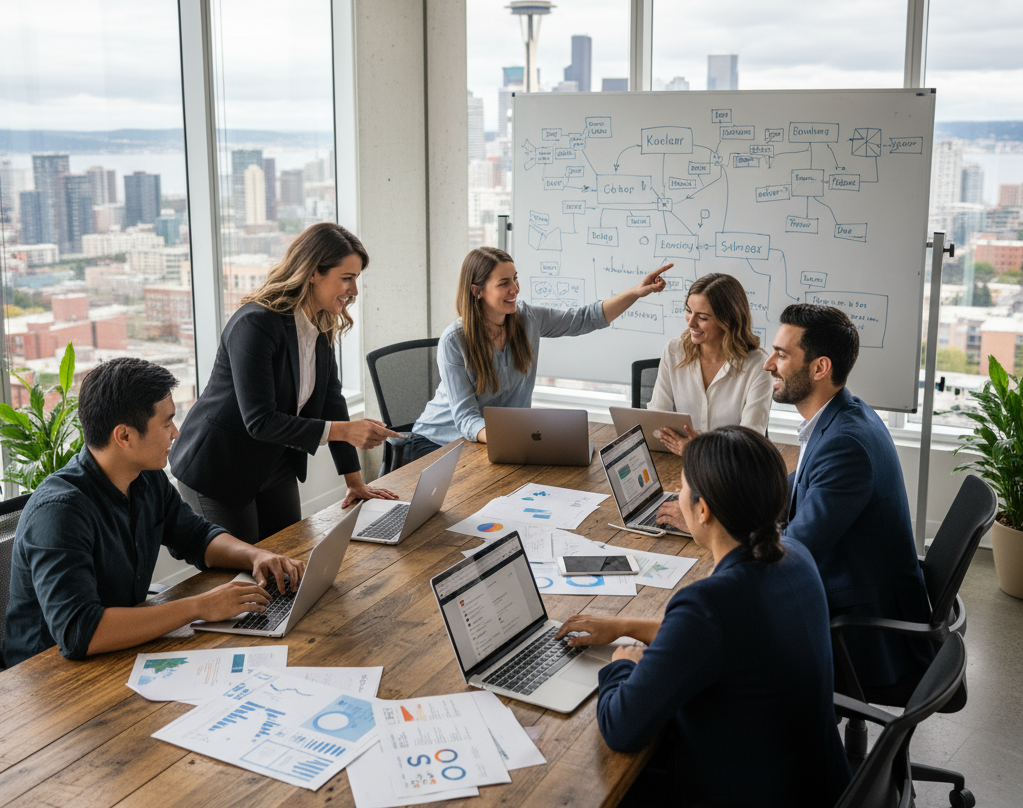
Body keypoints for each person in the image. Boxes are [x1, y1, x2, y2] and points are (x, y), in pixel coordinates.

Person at [555, 427, 850, 808]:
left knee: (594, 790)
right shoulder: (794, 556)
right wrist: (625, 626)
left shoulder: (711, 603)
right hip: (814, 797)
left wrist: (620, 662)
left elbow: (621, 727)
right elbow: (722, 641)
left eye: (680, 491)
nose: (675, 499)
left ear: (703, 510)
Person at [3, 359, 303, 669]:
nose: (175, 432)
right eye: (166, 423)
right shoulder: (59, 512)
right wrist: (201, 605)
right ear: (125, 437)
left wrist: (255, 556)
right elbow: (81, 631)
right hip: (45, 682)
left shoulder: (144, 477)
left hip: (120, 655)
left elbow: (196, 536)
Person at [170, 223, 402, 544]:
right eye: (346, 279)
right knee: (246, 574)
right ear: (312, 273)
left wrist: (354, 481)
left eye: (356, 279)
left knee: (292, 556)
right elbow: (260, 420)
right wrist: (342, 431)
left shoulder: (318, 325)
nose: (354, 291)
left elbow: (332, 400)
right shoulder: (255, 323)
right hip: (219, 466)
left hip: (274, 462)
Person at [765, 303, 931, 692]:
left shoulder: (846, 444)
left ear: (820, 368)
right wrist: (720, 508)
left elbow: (793, 554)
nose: (769, 363)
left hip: (864, 636)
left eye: (782, 354)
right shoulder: (838, 418)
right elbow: (795, 490)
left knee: (733, 649)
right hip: (854, 591)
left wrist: (721, 537)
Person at [404, 246, 672, 460]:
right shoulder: (454, 341)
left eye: (515, 278)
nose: (515, 289)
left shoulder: (527, 318)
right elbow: (466, 418)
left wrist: (637, 292)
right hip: (436, 443)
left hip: (492, 443)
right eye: (504, 283)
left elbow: (584, 318)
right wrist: (513, 440)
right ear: (477, 291)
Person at [647, 272, 772, 455]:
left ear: (728, 320)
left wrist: (698, 450)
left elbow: (750, 442)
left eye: (703, 317)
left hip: (729, 471)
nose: (691, 323)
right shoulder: (674, 351)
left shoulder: (757, 365)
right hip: (678, 462)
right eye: (689, 311)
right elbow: (658, 421)